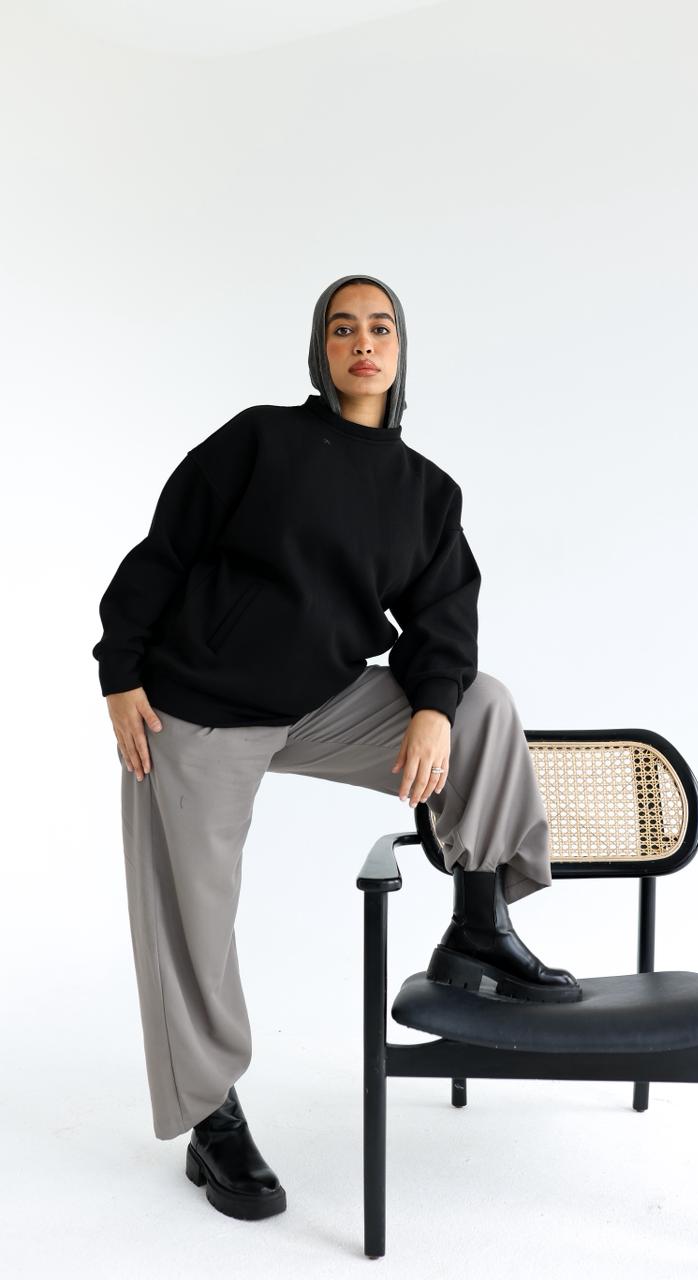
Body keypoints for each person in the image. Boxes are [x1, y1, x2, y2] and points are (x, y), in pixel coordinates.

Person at [92, 272, 582, 1220]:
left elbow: (444, 617)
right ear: (320, 349)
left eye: (381, 328)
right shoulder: (260, 440)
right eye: (344, 328)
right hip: (196, 710)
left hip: (323, 704)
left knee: (481, 703)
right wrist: (120, 674)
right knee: (191, 915)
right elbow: (162, 553)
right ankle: (211, 1116)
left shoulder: (427, 492)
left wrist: (432, 707)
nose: (364, 342)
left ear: (401, 351)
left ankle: (477, 928)